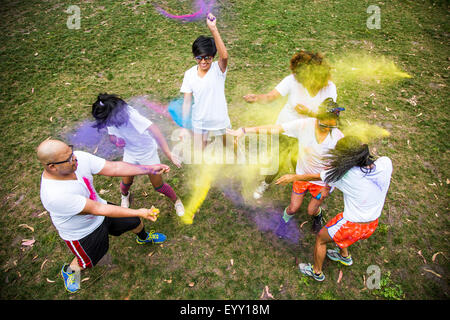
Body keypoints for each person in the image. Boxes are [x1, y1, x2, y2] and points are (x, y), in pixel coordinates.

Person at [38, 139, 170, 293]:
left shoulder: (77, 159)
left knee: (134, 221)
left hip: (101, 210)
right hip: (83, 232)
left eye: (71, 152)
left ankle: (143, 237)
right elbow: (98, 208)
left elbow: (114, 168)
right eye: (68, 159)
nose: (74, 158)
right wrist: (140, 211)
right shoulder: (55, 195)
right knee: (88, 261)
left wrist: (149, 168)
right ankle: (70, 271)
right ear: (52, 166)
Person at [276, 136, 393, 281]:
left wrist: (292, 177)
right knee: (339, 231)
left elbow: (314, 176)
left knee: (321, 238)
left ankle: (316, 272)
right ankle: (344, 256)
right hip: (372, 223)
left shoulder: (344, 176)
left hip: (351, 224)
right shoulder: (386, 164)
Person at [227, 100, 345, 234]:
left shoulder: (339, 139)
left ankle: (317, 215)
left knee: (311, 210)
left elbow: (338, 168)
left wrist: (327, 187)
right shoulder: (305, 125)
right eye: (324, 124)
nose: (328, 129)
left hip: (322, 182)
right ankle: (284, 221)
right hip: (301, 177)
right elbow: (276, 128)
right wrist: (245, 130)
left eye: (332, 125)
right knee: (293, 208)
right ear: (317, 118)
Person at [243, 50, 337, 199]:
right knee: (278, 159)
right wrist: (257, 98)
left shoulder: (329, 88)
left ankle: (300, 184)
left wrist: (310, 113)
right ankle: (266, 183)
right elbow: (271, 96)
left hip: (309, 132)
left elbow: (330, 116)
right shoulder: (293, 80)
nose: (305, 83)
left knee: (300, 160)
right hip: (286, 128)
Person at [91, 93, 185, 217]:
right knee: (126, 182)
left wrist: (168, 154)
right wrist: (116, 141)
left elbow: (155, 129)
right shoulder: (108, 117)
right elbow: (112, 135)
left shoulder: (130, 115)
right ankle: (125, 195)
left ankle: (176, 201)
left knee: (158, 186)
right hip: (130, 153)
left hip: (147, 153)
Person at [179, 13, 231, 150]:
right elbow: (187, 102)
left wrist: (213, 29)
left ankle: (239, 164)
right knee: (201, 150)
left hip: (220, 120)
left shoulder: (218, 69)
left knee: (231, 146)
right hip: (200, 122)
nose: (203, 61)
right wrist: (184, 127)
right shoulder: (189, 74)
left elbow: (224, 56)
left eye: (207, 58)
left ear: (213, 57)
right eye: (199, 58)